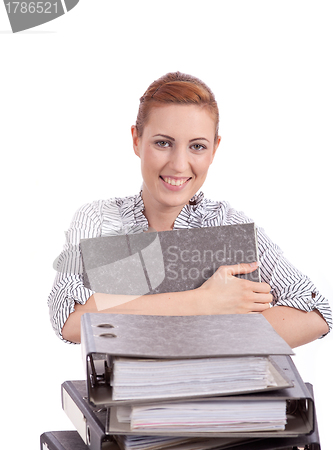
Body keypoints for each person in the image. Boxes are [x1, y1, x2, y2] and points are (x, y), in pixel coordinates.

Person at [48, 71, 331, 347]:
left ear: (214, 149)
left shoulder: (227, 225)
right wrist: (202, 302)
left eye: (197, 146)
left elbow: (317, 313)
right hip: (126, 391)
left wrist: (139, 315)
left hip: (217, 392)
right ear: (137, 140)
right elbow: (72, 320)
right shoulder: (101, 220)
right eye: (162, 143)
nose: (179, 165)